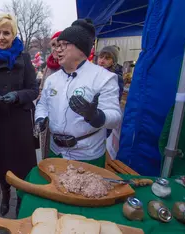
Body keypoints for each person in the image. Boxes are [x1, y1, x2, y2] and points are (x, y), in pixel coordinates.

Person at [35, 19, 122, 167]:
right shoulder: (52, 79)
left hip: (87, 155)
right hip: (55, 151)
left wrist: (96, 116)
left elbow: (115, 117)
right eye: (57, 45)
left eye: (64, 45)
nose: (58, 49)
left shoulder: (104, 78)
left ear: (80, 48)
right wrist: (40, 118)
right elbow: (43, 104)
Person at [0, 13, 38, 216]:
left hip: (19, 123)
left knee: (21, 164)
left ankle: (21, 199)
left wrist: (17, 96)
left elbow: (33, 89)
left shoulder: (24, 57)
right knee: (0, 163)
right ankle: (5, 195)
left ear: (14, 35)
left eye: (6, 32)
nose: (1, 37)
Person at [38, 31, 62, 99]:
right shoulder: (49, 65)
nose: (55, 48)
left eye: (59, 45)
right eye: (53, 45)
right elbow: (42, 87)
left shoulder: (67, 65)